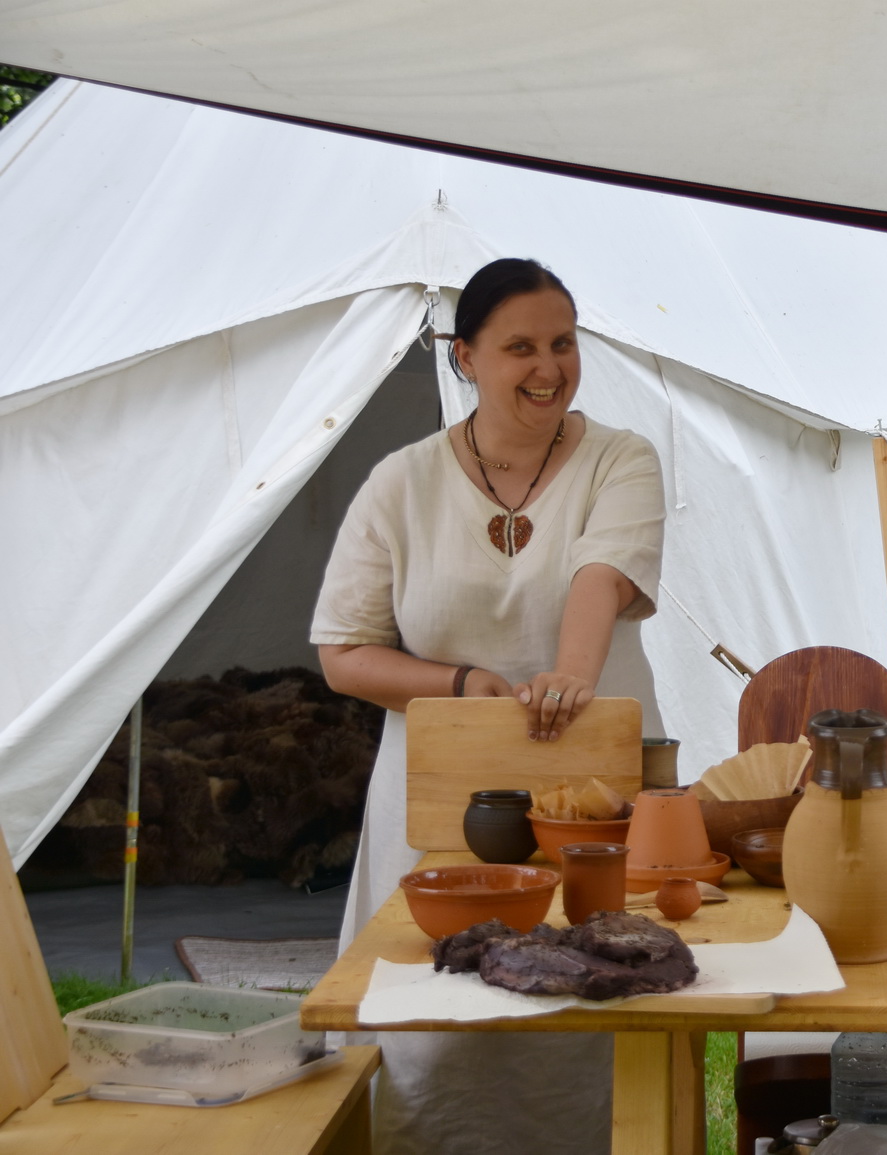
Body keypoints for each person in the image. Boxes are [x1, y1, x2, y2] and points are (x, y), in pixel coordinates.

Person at [311, 257, 665, 1155]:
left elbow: (599, 577)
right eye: (519, 348)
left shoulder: (620, 459)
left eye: (562, 343)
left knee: (584, 1010)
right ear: (465, 357)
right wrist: (463, 684)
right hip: (435, 804)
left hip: (588, 801)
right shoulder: (402, 481)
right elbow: (342, 654)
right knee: (435, 1031)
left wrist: (568, 677)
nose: (548, 367)